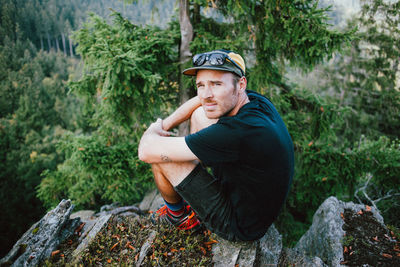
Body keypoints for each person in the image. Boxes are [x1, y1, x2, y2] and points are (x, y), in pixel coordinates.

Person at [138, 49, 294, 241]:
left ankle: (178, 217)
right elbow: (200, 101)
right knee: (200, 113)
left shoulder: (236, 133)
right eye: (201, 85)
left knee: (162, 156)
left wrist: (154, 129)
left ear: (240, 84)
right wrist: (167, 124)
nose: (206, 94)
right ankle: (196, 186)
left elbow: (145, 152)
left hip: (238, 225)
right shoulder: (255, 102)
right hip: (250, 199)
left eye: (216, 84)